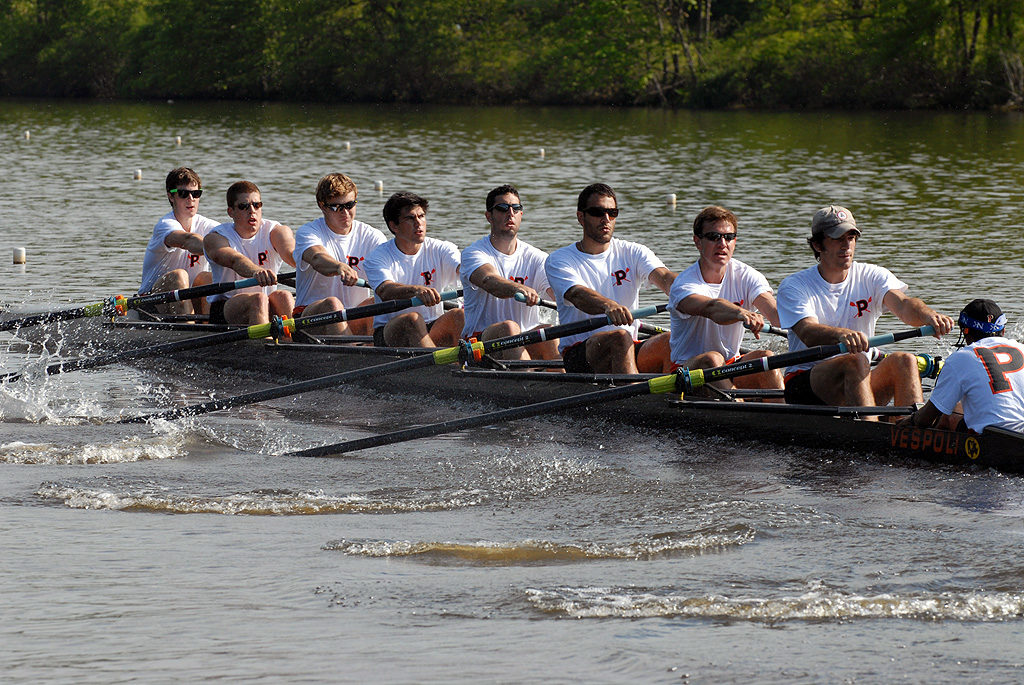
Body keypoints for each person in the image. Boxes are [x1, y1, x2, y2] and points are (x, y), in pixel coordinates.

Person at [777, 205, 953, 412]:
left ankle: (910, 432)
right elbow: (808, 332)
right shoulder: (795, 286)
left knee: (904, 360)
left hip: (858, 372)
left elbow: (904, 305)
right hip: (806, 381)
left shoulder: (872, 275)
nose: (846, 246)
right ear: (817, 245)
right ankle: (870, 433)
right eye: (837, 238)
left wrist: (928, 315)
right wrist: (842, 335)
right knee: (855, 361)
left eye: (851, 238)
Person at [544, 183, 676, 374]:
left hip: (628, 345)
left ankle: (672, 398)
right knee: (619, 337)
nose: (606, 219)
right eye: (598, 212)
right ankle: (636, 398)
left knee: (670, 340)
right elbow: (577, 295)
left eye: (612, 212)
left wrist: (686, 292)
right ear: (581, 217)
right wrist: (608, 305)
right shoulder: (559, 260)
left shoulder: (633, 252)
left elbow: (664, 277)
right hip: (580, 353)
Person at [667, 205, 783, 390]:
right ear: (698, 242)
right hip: (687, 371)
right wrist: (741, 313)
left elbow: (775, 313)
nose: (722, 243)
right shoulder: (684, 284)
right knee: (712, 358)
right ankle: (740, 410)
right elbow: (711, 308)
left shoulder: (747, 275)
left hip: (730, 365)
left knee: (767, 358)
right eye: (714, 237)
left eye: (728, 237)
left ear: (735, 241)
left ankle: (784, 411)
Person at [460, 184, 559, 361]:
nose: (510, 213)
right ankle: (529, 383)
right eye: (502, 208)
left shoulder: (537, 257)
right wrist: (518, 288)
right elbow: (490, 281)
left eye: (516, 208)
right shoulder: (474, 254)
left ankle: (563, 382)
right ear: (489, 216)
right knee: (509, 328)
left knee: (549, 331)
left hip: (525, 339)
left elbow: (557, 293)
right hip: (479, 343)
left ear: (521, 214)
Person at [903, 299, 1024, 434]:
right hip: (1019, 433)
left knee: (948, 413)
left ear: (965, 332)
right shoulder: (1022, 349)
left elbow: (924, 420)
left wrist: (909, 421)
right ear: (1003, 330)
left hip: (995, 439)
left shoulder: (961, 357)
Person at [292, 173, 387, 336]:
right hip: (310, 319)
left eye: (350, 205)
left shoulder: (372, 236)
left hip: (354, 315)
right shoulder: (308, 232)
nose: (345, 213)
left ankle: (374, 350)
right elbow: (316, 258)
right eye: (337, 207)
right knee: (333, 304)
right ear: (322, 206)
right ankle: (355, 357)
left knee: (380, 302)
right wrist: (339, 266)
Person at [363, 192, 462, 347]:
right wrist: (417, 291)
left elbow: (464, 270)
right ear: (393, 226)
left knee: (458, 315)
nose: (418, 223)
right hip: (390, 331)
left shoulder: (441, 249)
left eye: (421, 216)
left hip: (432, 325)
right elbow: (385, 290)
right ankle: (439, 369)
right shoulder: (377, 257)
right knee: (413, 319)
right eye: (410, 218)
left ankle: (466, 366)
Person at [204, 181, 296, 325]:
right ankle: (263, 345)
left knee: (284, 295)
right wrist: (256, 271)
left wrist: (318, 265)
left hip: (265, 302)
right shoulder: (216, 237)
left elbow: (292, 255)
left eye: (256, 205)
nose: (252, 210)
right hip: (226, 306)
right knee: (258, 298)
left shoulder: (276, 231)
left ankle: (293, 341)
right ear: (231, 212)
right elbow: (235, 260)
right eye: (243, 206)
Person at [139, 167, 220, 316]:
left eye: (196, 194)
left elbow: (234, 236)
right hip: (150, 305)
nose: (191, 199)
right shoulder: (165, 225)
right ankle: (190, 329)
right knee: (179, 276)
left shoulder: (208, 225)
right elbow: (188, 240)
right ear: (171, 197)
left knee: (207, 278)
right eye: (183, 194)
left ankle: (208, 326)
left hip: (187, 298)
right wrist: (219, 250)